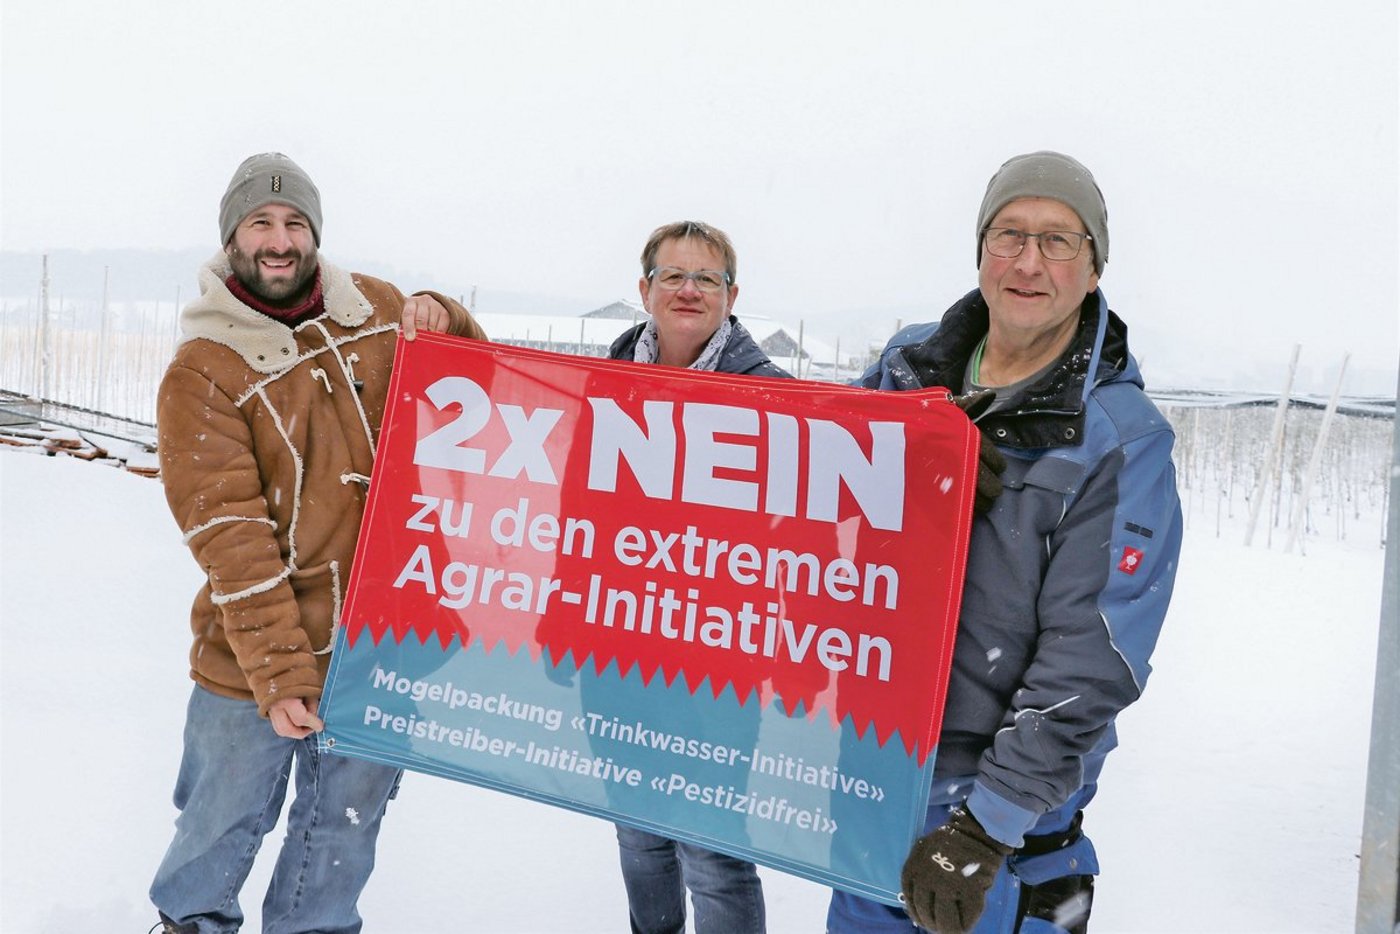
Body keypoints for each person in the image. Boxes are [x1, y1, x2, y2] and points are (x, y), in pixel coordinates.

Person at [828, 152, 1182, 934]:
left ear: (1094, 269)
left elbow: (1089, 667)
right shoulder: (907, 371)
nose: (1028, 262)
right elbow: (793, 476)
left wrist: (983, 827)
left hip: (996, 849)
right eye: (1008, 234)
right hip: (873, 782)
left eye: (1058, 241)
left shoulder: (1120, 441)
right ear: (980, 249)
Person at [149, 152, 486, 934]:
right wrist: (280, 672)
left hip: (379, 645)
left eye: (295, 223)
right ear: (232, 237)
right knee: (219, 827)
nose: (279, 239)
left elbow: (476, 387)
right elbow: (231, 537)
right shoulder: (204, 371)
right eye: (261, 223)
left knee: (340, 836)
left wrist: (445, 314)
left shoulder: (373, 310)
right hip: (251, 655)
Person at [605, 220, 788, 934]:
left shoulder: (775, 398)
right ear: (644, 289)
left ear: (731, 295)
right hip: (615, 647)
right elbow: (576, 513)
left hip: (717, 656)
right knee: (637, 830)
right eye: (673, 276)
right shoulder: (603, 384)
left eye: (706, 278)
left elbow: (795, 542)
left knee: (712, 848)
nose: (689, 290)